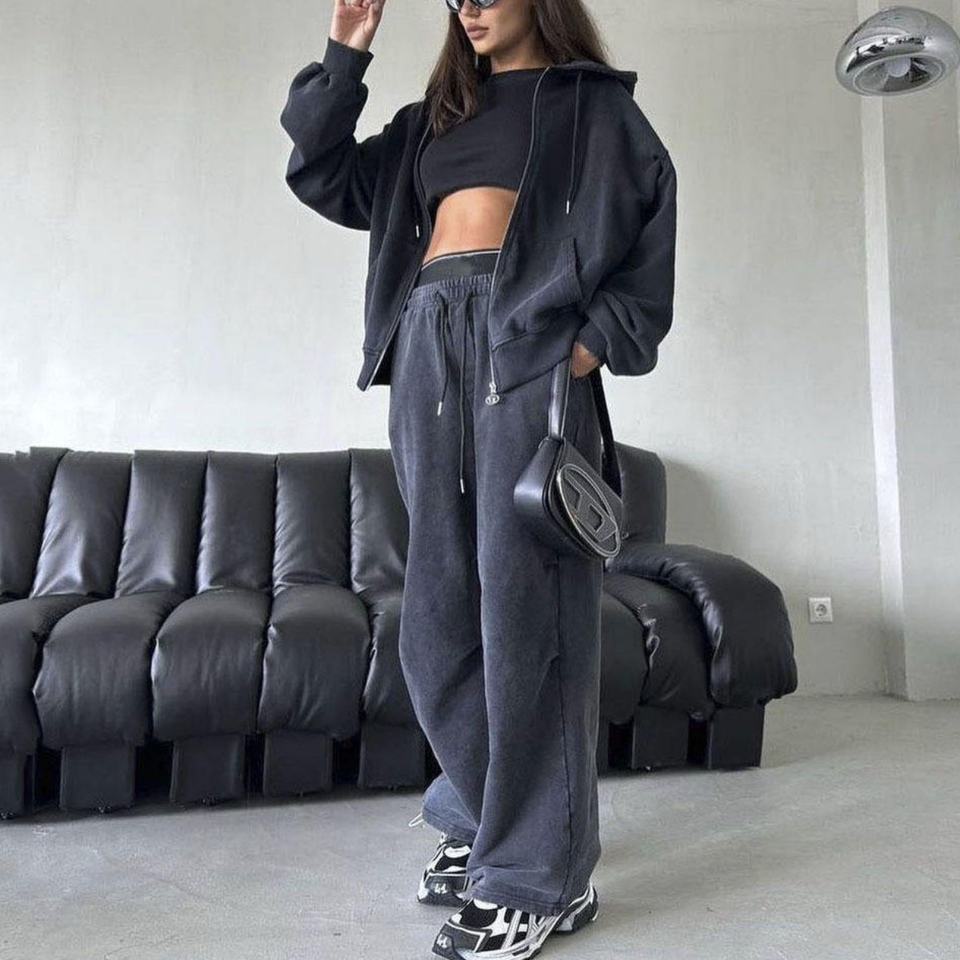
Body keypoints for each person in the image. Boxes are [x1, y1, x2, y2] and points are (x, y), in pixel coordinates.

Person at [279, 0, 677, 956]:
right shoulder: (431, 120)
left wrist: (590, 346)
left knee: (529, 613)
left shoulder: (590, 107)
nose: (470, 2)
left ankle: (539, 875)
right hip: (426, 341)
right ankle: (491, 816)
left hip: (526, 346)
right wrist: (345, 54)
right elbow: (322, 172)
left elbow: (651, 218)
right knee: (437, 619)